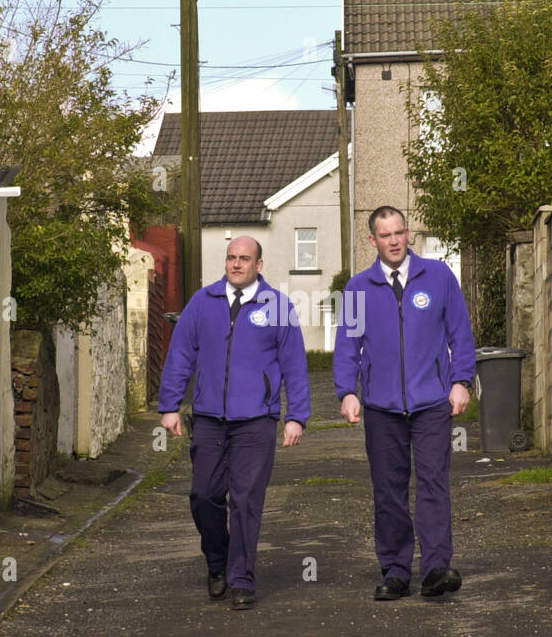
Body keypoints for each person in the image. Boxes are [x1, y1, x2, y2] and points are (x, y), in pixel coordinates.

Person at [159, 236, 311, 610]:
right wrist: (170, 405)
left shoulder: (278, 306)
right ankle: (218, 562)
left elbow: (295, 365)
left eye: (245, 258)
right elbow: (180, 355)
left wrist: (296, 417)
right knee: (203, 496)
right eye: (231, 258)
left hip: (256, 421)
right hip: (210, 419)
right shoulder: (202, 302)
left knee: (246, 501)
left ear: (260, 264)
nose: (236, 264)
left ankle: (242, 578)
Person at [333, 206, 476, 601]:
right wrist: (347, 391)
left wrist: (461, 381)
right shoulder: (358, 289)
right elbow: (348, 345)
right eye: (385, 235)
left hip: (432, 401)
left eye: (399, 232)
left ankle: (435, 569)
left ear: (408, 233)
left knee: (433, 483)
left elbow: (460, 333)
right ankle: (395, 572)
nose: (394, 241)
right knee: (388, 490)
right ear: (372, 240)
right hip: (381, 406)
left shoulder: (439, 276)